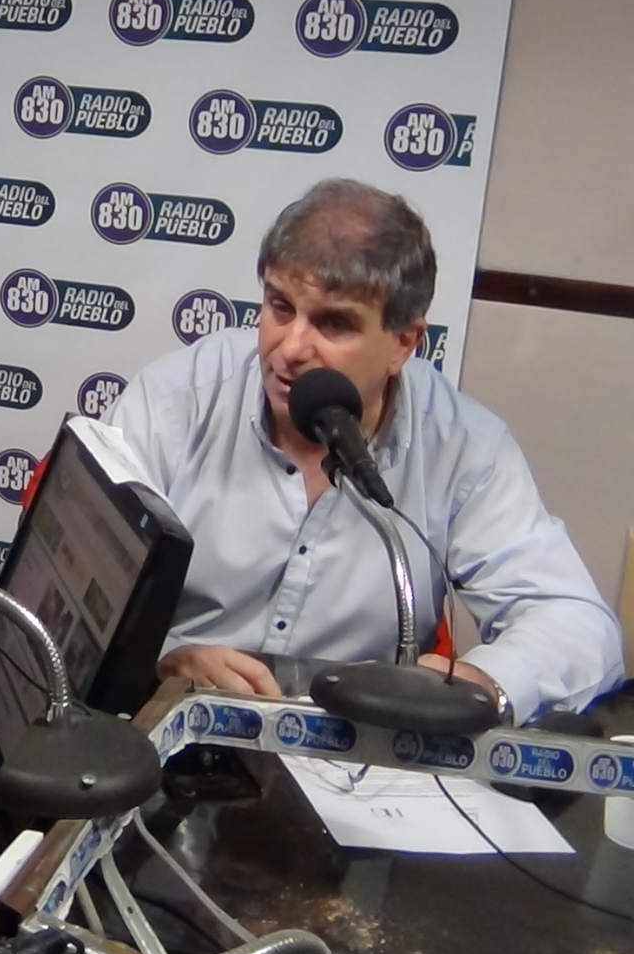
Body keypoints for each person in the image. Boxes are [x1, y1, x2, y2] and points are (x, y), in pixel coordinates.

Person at [103, 178, 624, 722]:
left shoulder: (463, 448)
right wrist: (159, 662)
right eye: (280, 307)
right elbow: (77, 595)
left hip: (351, 746)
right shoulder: (176, 401)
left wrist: (484, 683)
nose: (291, 348)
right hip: (163, 724)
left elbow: (578, 624)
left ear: (404, 343)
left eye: (334, 324)